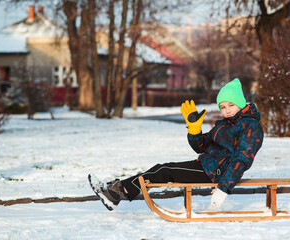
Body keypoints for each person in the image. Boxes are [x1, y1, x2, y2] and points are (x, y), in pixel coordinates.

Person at [88, 78, 264, 211]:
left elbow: (243, 158)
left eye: (231, 105)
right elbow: (201, 146)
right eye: (223, 107)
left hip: (218, 173)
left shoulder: (251, 125)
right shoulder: (226, 124)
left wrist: (223, 188)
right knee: (162, 168)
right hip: (205, 165)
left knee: (164, 171)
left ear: (240, 103)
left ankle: (117, 193)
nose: (226, 110)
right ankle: (115, 189)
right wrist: (194, 129)